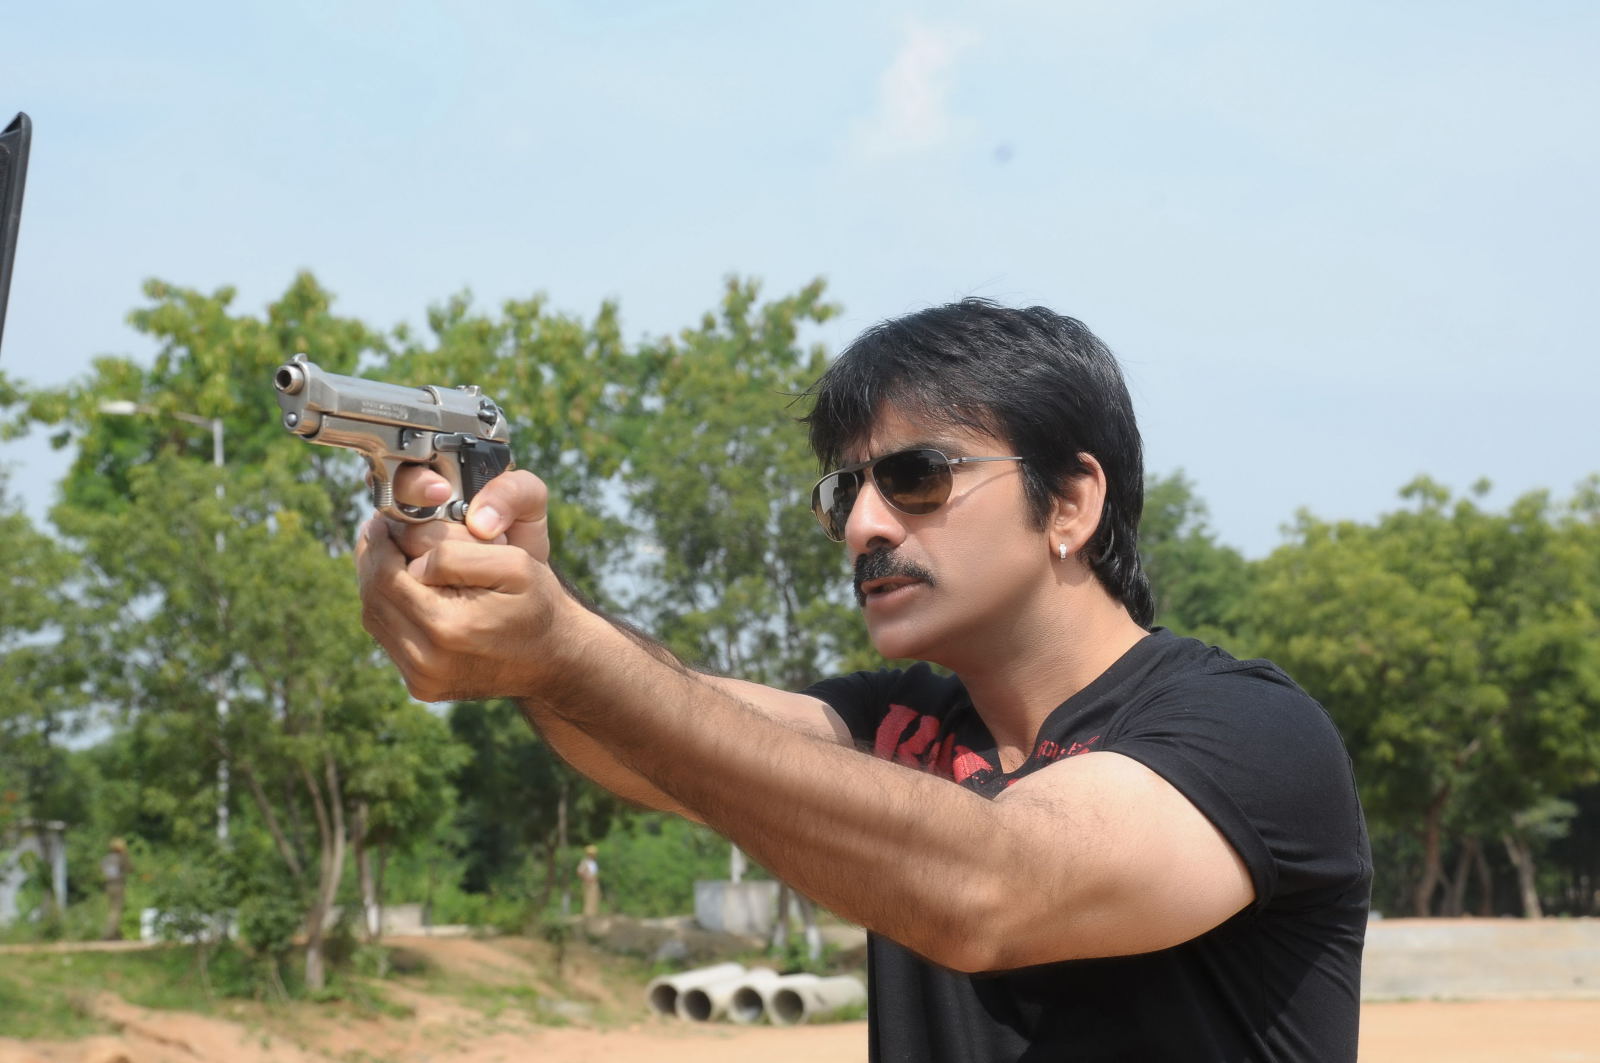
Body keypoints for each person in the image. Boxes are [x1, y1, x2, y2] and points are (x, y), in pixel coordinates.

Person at [357, 300, 1370, 1061]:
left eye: (916, 477)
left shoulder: (1248, 730)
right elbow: (653, 731)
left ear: (1070, 501)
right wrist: (531, 606)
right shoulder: (892, 723)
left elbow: (996, 887)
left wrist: (563, 650)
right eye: (846, 490)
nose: (862, 526)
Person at [101, 838, 132, 940]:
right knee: (116, 910)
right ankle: (108, 934)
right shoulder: (121, 858)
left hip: (108, 885)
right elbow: (130, 869)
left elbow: (102, 870)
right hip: (118, 885)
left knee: (112, 909)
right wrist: (126, 856)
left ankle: (115, 934)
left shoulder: (106, 858)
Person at [577, 844, 601, 917]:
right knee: (588, 899)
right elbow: (579, 872)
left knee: (595, 898)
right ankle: (588, 915)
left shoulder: (594, 863)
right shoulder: (585, 862)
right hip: (588, 883)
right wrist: (586, 878)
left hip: (594, 882)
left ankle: (594, 914)